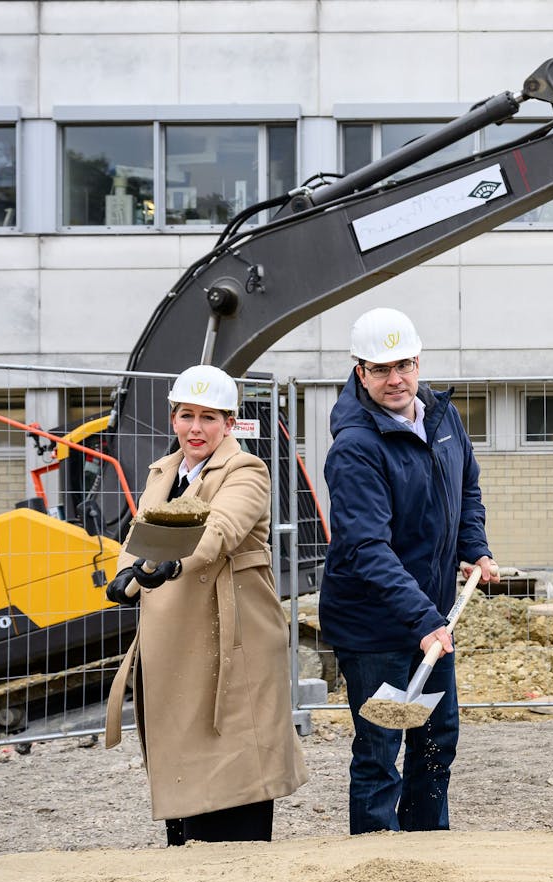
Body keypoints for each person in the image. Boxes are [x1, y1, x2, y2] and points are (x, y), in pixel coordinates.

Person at [104, 364, 307, 845]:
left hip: (231, 639)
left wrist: (172, 563)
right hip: (176, 640)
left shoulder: (246, 470)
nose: (196, 428)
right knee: (183, 758)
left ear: (229, 423)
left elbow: (218, 529)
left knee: (234, 753)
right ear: (173, 418)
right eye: (186, 415)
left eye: (209, 417)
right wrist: (124, 573)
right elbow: (142, 533)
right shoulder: (165, 470)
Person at [319, 307, 499, 835]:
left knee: (436, 741)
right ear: (360, 373)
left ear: (418, 362)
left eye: (404, 365)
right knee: (379, 749)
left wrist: (475, 547)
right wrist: (423, 620)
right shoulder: (355, 447)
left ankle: (428, 852)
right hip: (374, 627)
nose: (395, 379)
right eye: (380, 369)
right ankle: (378, 864)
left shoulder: (443, 419)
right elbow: (366, 548)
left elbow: (466, 488)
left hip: (430, 620)